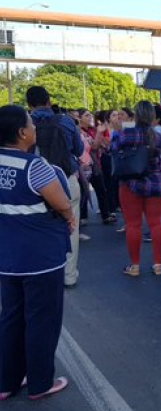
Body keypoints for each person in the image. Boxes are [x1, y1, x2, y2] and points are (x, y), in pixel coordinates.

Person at [0, 105, 73, 400]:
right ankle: (41, 382)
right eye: (30, 123)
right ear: (21, 132)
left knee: (10, 318)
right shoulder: (35, 166)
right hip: (41, 259)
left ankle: (6, 382)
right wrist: (69, 216)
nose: (33, 128)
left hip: (6, 257)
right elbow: (61, 202)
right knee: (42, 319)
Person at [26, 86, 84, 289]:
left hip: (32, 182)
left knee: (35, 228)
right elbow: (79, 149)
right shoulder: (66, 121)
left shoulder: (24, 123)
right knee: (70, 228)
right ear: (49, 101)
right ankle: (69, 275)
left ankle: (41, 273)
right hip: (65, 180)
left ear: (29, 104)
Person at [112, 101, 161, 277]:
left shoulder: (126, 134)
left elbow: (112, 149)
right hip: (155, 183)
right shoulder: (157, 136)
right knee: (156, 223)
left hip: (130, 184)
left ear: (135, 115)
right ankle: (158, 264)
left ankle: (134, 266)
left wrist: (117, 130)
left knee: (133, 225)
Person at [77, 109, 112, 225]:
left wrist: (99, 133)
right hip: (82, 167)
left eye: (90, 115)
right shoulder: (77, 132)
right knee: (83, 193)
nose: (90, 117)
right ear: (79, 118)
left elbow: (96, 146)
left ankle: (105, 214)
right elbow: (91, 147)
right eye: (86, 115)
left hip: (94, 164)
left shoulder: (92, 130)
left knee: (101, 189)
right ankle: (82, 217)